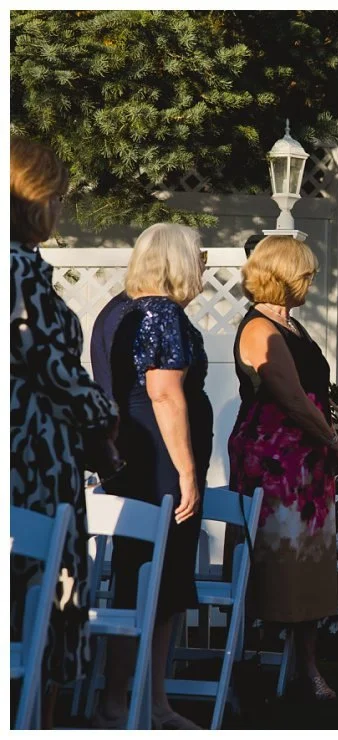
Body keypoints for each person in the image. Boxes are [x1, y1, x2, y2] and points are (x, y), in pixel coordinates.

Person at [10, 136, 119, 726]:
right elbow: (50, 365)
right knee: (39, 596)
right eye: (56, 197)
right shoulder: (16, 270)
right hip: (31, 458)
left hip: (41, 450)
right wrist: (103, 419)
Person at [91, 223, 212, 729]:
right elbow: (164, 393)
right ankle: (128, 702)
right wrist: (186, 471)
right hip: (160, 461)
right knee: (155, 579)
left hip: (131, 456)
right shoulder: (161, 311)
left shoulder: (117, 309)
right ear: (177, 260)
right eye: (197, 254)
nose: (203, 261)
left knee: (144, 577)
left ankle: (146, 699)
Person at [227, 235, 338, 702]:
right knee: (278, 563)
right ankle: (258, 665)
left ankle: (306, 667)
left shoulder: (291, 325)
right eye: (305, 272)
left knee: (311, 564)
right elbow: (293, 400)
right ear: (282, 274)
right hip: (277, 461)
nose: (310, 280)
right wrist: (336, 445)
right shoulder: (260, 329)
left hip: (306, 462)